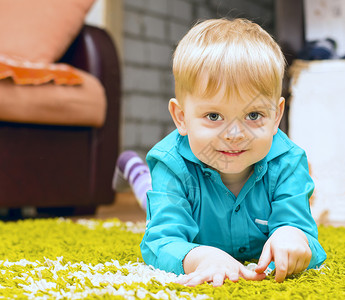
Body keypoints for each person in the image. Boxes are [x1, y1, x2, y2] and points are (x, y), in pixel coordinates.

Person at [113, 18, 326, 287]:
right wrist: (200, 257)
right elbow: (161, 242)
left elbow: (307, 237)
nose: (234, 134)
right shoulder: (171, 164)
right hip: (177, 195)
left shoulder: (289, 161)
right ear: (181, 117)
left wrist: (293, 235)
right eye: (214, 115)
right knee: (152, 202)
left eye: (253, 115)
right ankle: (135, 169)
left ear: (276, 117)